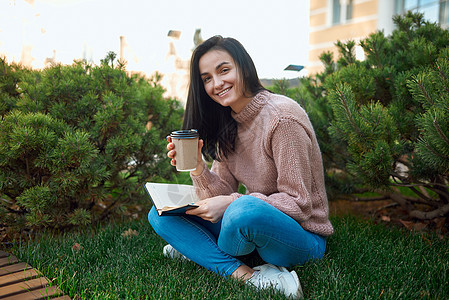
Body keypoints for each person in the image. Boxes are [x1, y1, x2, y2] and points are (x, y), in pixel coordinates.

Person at [148, 35, 334, 299]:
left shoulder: (282, 118)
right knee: (159, 213)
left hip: (302, 237)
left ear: (243, 67)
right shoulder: (229, 123)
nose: (217, 83)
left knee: (241, 211)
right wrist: (198, 167)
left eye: (224, 70)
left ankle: (199, 247)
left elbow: (299, 203)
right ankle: (249, 276)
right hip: (251, 229)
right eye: (207, 78)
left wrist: (232, 202)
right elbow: (219, 193)